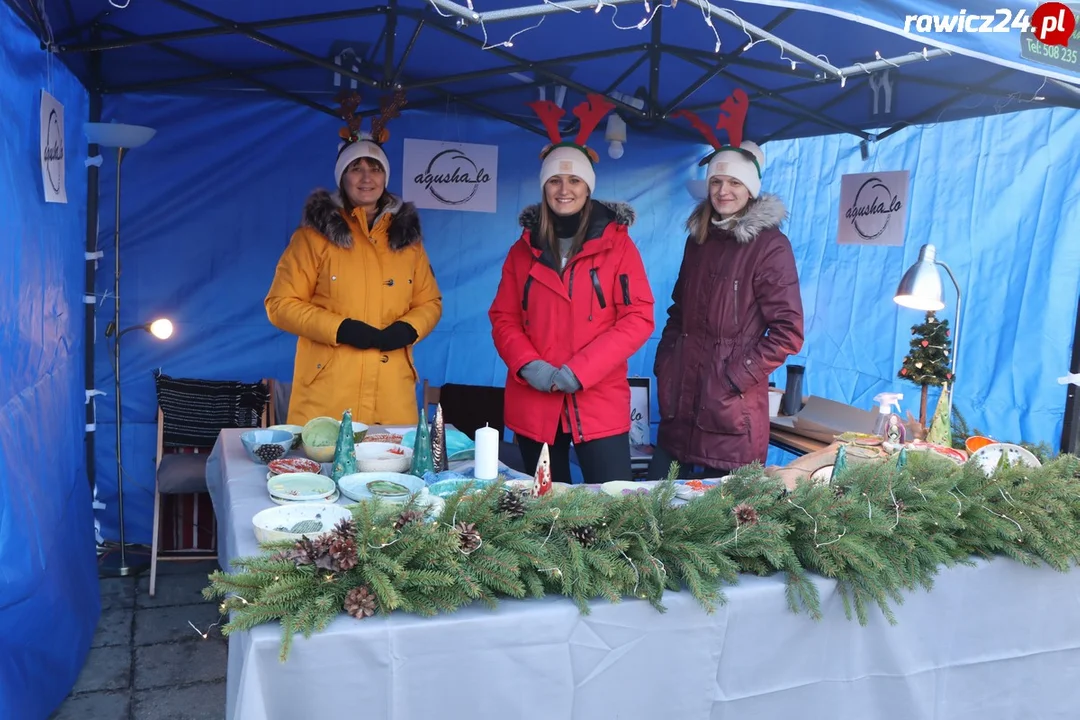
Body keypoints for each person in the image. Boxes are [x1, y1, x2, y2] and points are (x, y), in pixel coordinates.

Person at [489, 94, 655, 485]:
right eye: (556, 180)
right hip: (535, 399)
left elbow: (638, 317)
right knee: (542, 513)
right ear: (545, 187)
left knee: (611, 511)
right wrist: (530, 366)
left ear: (588, 186)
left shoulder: (618, 245)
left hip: (596, 400)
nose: (565, 189)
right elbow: (503, 317)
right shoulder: (522, 250)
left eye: (575, 180)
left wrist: (581, 371)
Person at [649, 93, 804, 479]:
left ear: (750, 188)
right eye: (716, 181)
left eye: (734, 182)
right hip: (681, 404)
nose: (723, 191)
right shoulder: (698, 238)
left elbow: (788, 332)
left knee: (724, 527)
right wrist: (667, 362)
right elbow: (678, 311)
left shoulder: (770, 245)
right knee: (659, 505)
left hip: (730, 413)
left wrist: (733, 377)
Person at [265, 92, 442, 427]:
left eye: (374, 168)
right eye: (355, 168)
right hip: (328, 398)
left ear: (385, 176)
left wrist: (409, 328)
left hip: (391, 398)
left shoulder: (409, 242)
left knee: (390, 479)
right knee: (322, 479)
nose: (366, 177)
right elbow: (280, 304)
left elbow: (430, 301)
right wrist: (340, 327)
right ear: (342, 177)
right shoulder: (312, 238)